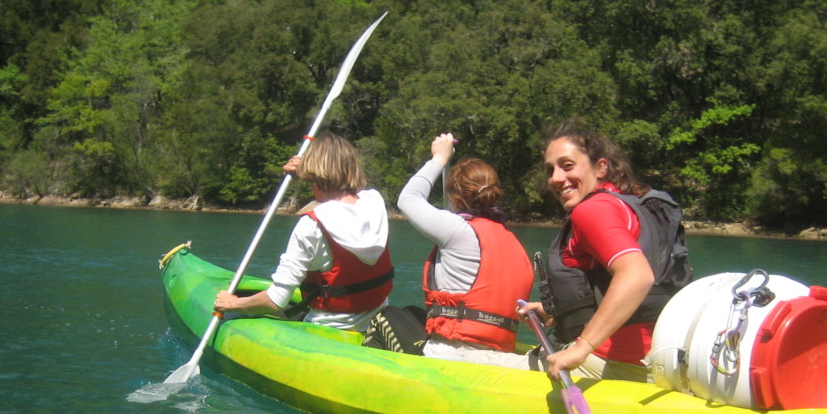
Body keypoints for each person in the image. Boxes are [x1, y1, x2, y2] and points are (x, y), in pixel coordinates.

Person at [519, 124, 692, 381]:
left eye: (567, 166)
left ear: (601, 168)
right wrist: (559, 313)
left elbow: (637, 276)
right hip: (662, 362)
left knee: (491, 373)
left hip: (616, 362)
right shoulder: (626, 206)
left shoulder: (592, 210)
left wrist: (581, 348)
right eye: (550, 170)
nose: (555, 178)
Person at [214, 133, 393, 332]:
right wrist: (310, 171)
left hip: (328, 328)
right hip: (375, 323)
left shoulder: (311, 226)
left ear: (314, 175)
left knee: (236, 315)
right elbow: (349, 194)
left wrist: (232, 304)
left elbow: (275, 300)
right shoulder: (374, 202)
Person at [394, 132, 534, 366]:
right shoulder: (511, 240)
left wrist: (439, 158)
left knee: (386, 318)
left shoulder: (457, 230)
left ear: (455, 197)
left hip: (453, 354)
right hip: (496, 351)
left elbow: (408, 198)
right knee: (412, 314)